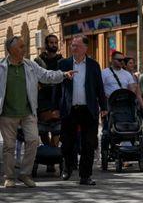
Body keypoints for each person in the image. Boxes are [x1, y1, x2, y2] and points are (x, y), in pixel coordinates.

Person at [0, 36, 75, 188]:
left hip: (28, 112)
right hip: (7, 113)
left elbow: (46, 75)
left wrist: (63, 75)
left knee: (33, 140)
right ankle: (8, 177)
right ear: (11, 50)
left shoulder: (30, 65)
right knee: (9, 146)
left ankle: (25, 173)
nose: (24, 49)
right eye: (21, 47)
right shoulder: (2, 68)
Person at [59, 35, 107, 185]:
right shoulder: (64, 63)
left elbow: (99, 87)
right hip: (69, 109)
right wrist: (54, 107)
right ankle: (67, 167)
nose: (73, 48)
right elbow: (56, 87)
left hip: (88, 109)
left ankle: (85, 176)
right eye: (72, 45)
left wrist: (104, 107)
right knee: (67, 143)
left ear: (85, 48)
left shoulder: (93, 65)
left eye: (76, 46)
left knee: (88, 143)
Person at [35, 34, 64, 173]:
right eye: (51, 42)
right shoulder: (38, 60)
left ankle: (53, 157)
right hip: (43, 99)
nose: (53, 45)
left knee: (57, 128)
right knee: (43, 129)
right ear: (46, 44)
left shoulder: (62, 60)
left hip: (58, 98)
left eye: (55, 42)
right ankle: (48, 153)